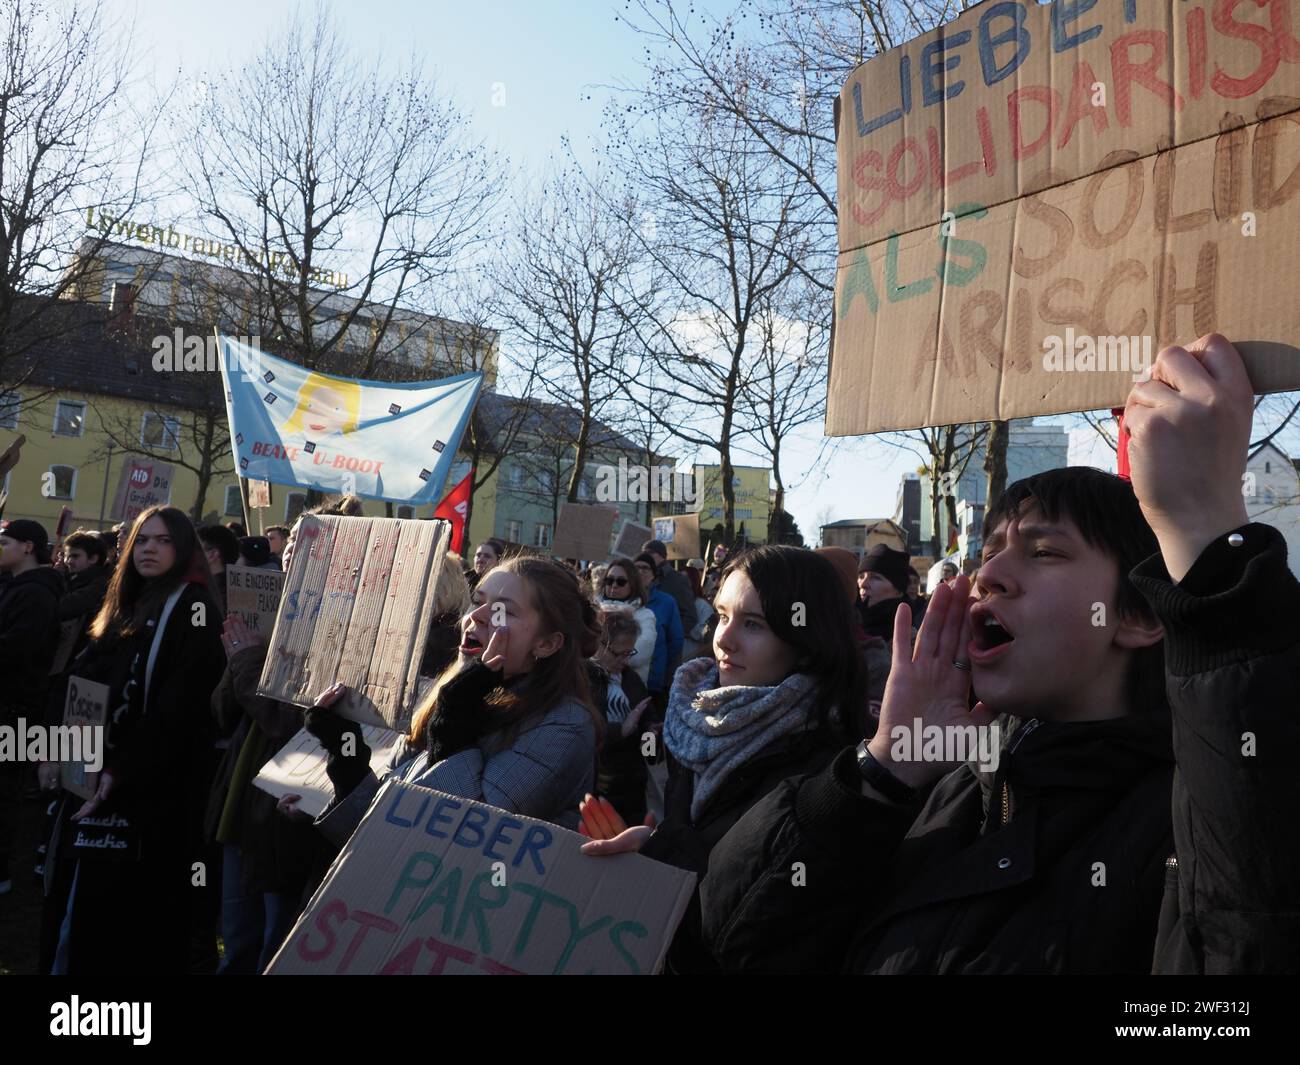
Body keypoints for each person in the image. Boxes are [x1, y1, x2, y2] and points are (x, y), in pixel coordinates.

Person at [698, 334, 1300, 975]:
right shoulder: (944, 789)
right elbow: (732, 942)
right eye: (990, 553)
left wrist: (1205, 537)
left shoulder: (1184, 826)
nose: (991, 576)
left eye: (1045, 552)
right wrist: (881, 772)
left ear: (1140, 614)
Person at [579, 545, 868, 973]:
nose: (723, 639)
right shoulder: (692, 720)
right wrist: (653, 846)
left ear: (807, 643)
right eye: (723, 615)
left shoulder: (829, 775)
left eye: (753, 625)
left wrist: (665, 857)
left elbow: (756, 925)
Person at [280, 556, 602, 844]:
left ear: (546, 644)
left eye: (502, 610)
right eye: (478, 601)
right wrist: (345, 750)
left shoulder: (565, 724)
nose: (476, 616)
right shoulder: (454, 691)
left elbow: (454, 836)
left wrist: (455, 721)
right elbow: (383, 822)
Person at [39, 505, 225, 975]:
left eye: (163, 541)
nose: (149, 549)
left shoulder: (193, 607)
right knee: (76, 912)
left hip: (150, 795)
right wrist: (60, 751)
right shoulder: (124, 600)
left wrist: (120, 767)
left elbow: (180, 707)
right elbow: (84, 684)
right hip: (89, 780)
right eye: (142, 540)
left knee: (126, 923)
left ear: (183, 548)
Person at [0, 520, 63, 896]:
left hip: (14, 706)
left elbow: (18, 650)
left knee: (3, 791)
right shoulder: (15, 587)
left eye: (4, 541)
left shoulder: (36, 595)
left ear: (27, 547)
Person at [587, 612, 652, 826]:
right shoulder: (583, 679)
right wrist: (620, 731)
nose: (624, 661)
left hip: (633, 784)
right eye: (618, 654)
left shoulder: (630, 679)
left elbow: (647, 723)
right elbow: (583, 732)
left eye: (629, 653)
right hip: (597, 784)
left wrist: (652, 738)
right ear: (600, 644)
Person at [592, 557, 657, 685]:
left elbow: (639, 655)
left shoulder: (645, 616)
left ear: (633, 584)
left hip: (627, 689)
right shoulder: (593, 611)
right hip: (593, 683)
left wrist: (603, 654)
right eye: (609, 580)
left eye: (621, 582)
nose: (614, 585)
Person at [633, 553, 685, 707]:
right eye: (636, 568)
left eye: (645, 568)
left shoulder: (667, 602)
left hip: (653, 681)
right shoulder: (623, 599)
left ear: (654, 575)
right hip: (625, 678)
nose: (641, 572)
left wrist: (660, 663)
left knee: (649, 728)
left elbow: (675, 641)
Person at [857, 544, 911, 641]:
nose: (863, 584)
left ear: (898, 591)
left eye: (875, 578)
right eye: (861, 576)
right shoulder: (849, 623)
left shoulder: (907, 636)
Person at [641, 538, 695, 635]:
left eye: (649, 553)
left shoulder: (677, 580)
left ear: (661, 555)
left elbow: (690, 616)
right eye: (643, 554)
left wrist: (671, 636)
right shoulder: (643, 577)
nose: (645, 557)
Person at [198, 523, 241, 615]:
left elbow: (197, 625)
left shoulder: (204, 594)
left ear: (212, 554)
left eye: (196, 548)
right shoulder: (239, 591)